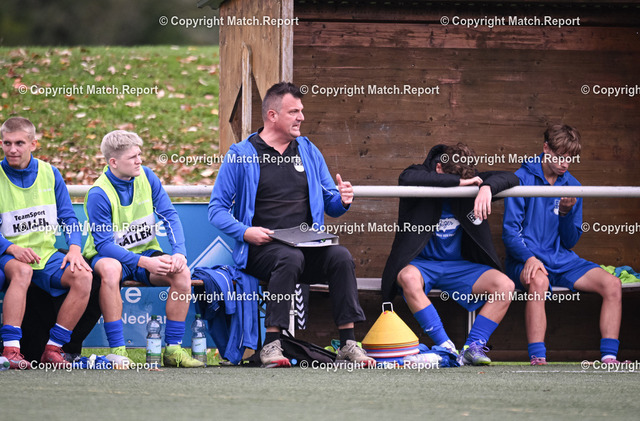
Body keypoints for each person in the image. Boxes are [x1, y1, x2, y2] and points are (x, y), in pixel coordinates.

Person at [209, 82, 374, 368]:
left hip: (307, 247)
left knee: (341, 256)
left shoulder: (308, 150)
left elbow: (331, 204)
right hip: (262, 250)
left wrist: (343, 199)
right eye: (294, 111)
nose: (301, 117)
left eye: (301, 111)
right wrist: (246, 232)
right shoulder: (241, 154)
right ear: (272, 115)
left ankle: (348, 344)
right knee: (288, 256)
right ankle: (272, 345)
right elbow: (216, 210)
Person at [381, 143, 518, 365]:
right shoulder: (419, 175)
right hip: (423, 265)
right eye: (458, 182)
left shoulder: (473, 181)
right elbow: (406, 177)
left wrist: (486, 188)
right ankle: (446, 346)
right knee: (407, 277)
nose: (461, 187)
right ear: (438, 169)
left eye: (465, 182)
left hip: (459, 267)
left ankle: (472, 348)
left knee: (505, 286)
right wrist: (457, 183)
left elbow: (511, 177)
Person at [503, 124, 623, 365]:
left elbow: (570, 241)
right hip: (526, 260)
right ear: (546, 148)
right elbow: (510, 233)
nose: (564, 164)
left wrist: (566, 214)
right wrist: (529, 258)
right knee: (539, 281)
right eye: (559, 156)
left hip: (562, 261)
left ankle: (609, 358)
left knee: (612, 284)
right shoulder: (521, 179)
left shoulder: (572, 185)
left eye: (570, 158)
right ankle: (538, 357)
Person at [83, 130, 203, 367]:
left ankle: (173, 349)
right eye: (132, 157)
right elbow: (104, 245)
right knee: (111, 270)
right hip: (108, 256)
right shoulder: (98, 193)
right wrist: (145, 263)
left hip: (144, 252)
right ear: (113, 162)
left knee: (182, 273)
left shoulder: (147, 175)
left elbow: (169, 215)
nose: (139, 161)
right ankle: (118, 350)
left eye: (139, 155)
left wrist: (179, 252)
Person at [0, 116, 92, 368]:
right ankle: (11, 351)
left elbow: (69, 218)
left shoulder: (50, 173)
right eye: (7, 143)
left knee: (83, 276)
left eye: (19, 143)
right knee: (22, 270)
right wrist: (11, 248)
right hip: (8, 254)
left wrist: (75, 248)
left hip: (46, 255)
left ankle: (53, 348)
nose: (12, 149)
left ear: (33, 144)